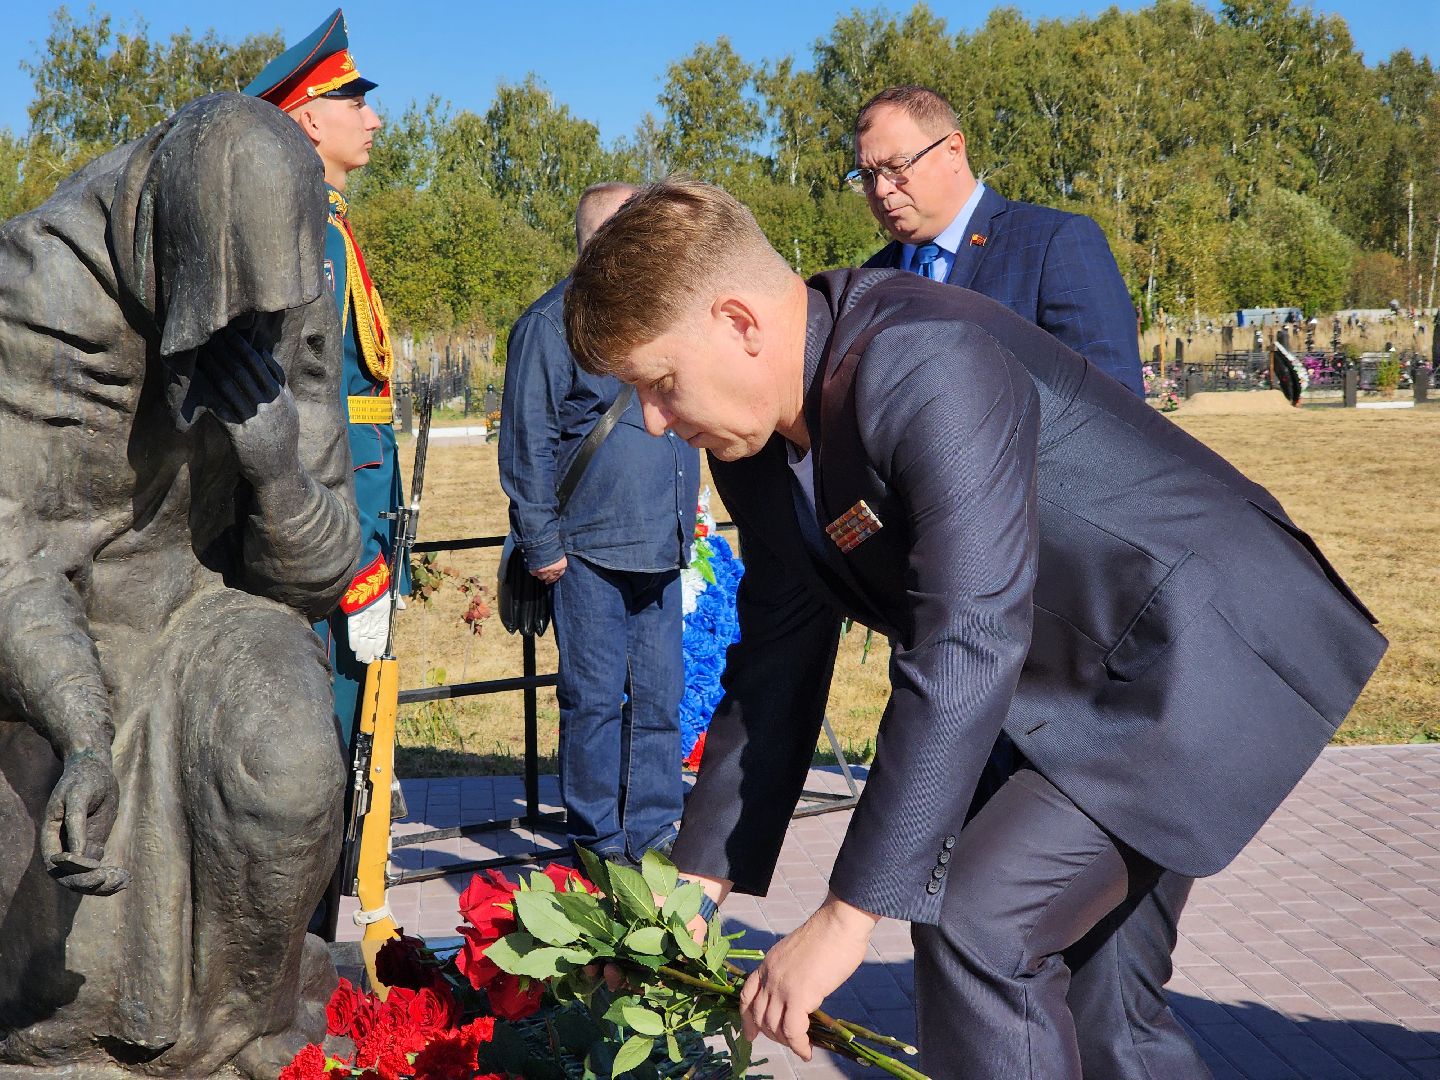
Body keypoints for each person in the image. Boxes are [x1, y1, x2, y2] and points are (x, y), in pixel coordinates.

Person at [562, 179, 1386, 1079]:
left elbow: (967, 635)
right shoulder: (755, 449)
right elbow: (773, 664)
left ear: (739, 322)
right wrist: (693, 887)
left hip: (1194, 656)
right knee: (1105, 1011)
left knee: (980, 925)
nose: (653, 421)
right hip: (1081, 685)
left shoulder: (919, 357)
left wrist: (846, 914)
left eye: (661, 384)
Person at [0, 93, 359, 1078]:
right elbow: (11, 560)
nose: (260, 330)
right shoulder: (35, 289)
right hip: (52, 638)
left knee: (290, 765)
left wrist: (278, 471)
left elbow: (316, 578)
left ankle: (247, 1029)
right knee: (64, 979)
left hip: (208, 609)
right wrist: (82, 728)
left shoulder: (295, 282)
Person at [499, 183, 700, 866]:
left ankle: (654, 830)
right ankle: (596, 840)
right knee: (591, 702)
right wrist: (540, 542)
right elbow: (525, 440)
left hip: (660, 544)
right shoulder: (550, 323)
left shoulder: (660, 315)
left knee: (660, 699)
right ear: (601, 235)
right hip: (585, 550)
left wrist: (685, 517)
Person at [245, 8, 405, 750]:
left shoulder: (329, 228)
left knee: (359, 721)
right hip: (341, 522)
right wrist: (360, 560)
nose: (373, 119)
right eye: (355, 103)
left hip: (363, 505)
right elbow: (307, 405)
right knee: (336, 722)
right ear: (309, 120)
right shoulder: (312, 237)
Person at [852, 85, 1144, 395]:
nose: (881, 189)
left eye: (896, 167)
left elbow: (1114, 403)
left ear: (953, 150)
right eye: (868, 176)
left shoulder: (1053, 244)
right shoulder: (866, 283)